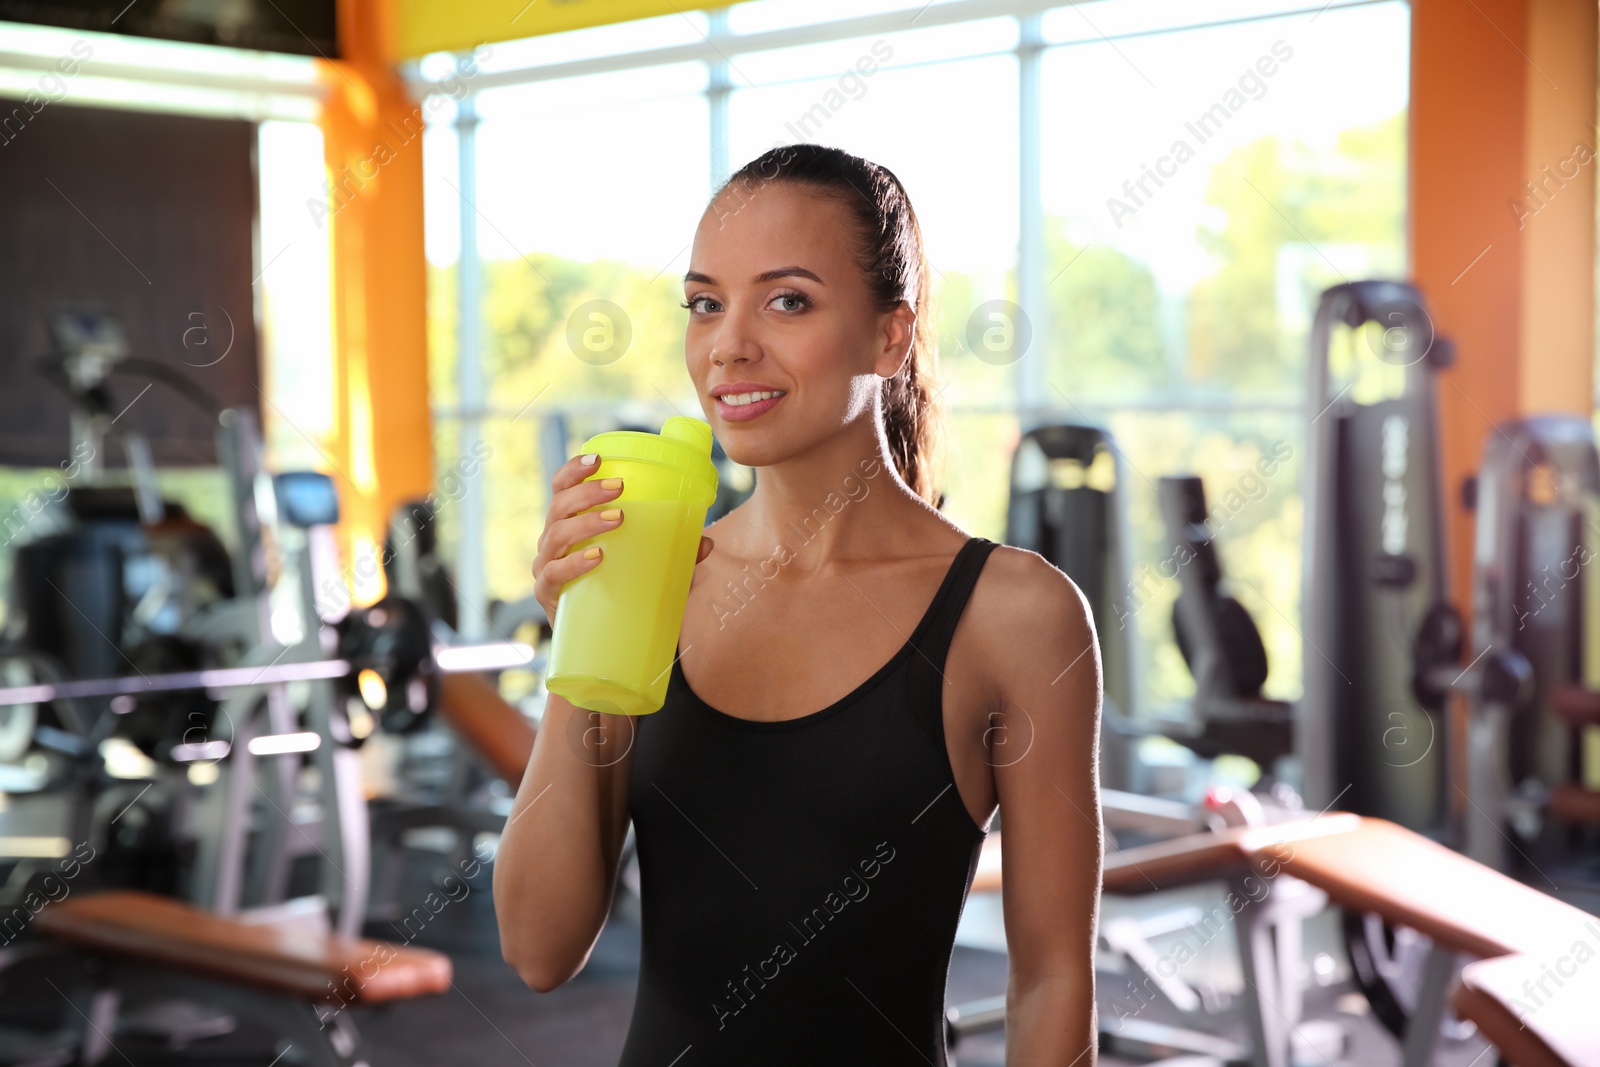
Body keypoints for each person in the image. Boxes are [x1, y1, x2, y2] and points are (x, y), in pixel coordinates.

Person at [495, 143, 1103, 1065]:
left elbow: (1052, 976)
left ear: (890, 336)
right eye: (705, 303)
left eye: (787, 300)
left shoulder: (1012, 614)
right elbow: (539, 948)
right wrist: (586, 635)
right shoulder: (665, 578)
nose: (729, 344)